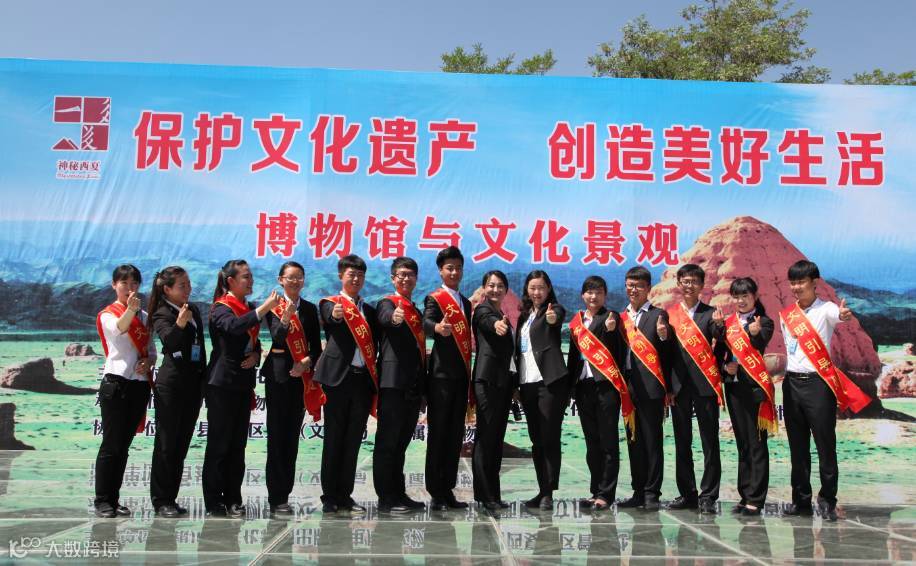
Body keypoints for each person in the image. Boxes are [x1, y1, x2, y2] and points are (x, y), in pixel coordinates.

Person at [779, 259, 869, 522]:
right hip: (791, 384)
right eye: (793, 282)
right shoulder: (787, 315)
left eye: (801, 282)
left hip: (818, 385)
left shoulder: (827, 309)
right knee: (797, 447)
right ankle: (800, 500)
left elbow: (840, 316)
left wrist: (844, 315)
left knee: (825, 444)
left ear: (814, 283)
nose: (797, 287)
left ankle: (828, 500)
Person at [203, 259, 278, 518]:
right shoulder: (220, 307)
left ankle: (233, 498)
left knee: (237, 446)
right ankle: (213, 501)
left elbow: (252, 342)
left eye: (251, 276)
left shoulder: (249, 307)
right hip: (222, 384)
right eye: (245, 277)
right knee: (219, 445)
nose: (250, 280)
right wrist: (264, 309)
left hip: (243, 384)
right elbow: (234, 328)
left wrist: (256, 355)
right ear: (231, 281)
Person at [313, 255, 378, 515]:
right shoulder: (330, 304)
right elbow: (331, 318)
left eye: (360, 275)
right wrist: (336, 315)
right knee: (334, 438)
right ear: (341, 276)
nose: (356, 279)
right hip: (338, 380)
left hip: (362, 381)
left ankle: (345, 495)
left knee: (353, 440)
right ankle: (329, 496)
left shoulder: (369, 311)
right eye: (351, 274)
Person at [94, 264, 157, 518]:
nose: (130, 288)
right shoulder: (108, 314)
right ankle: (102, 500)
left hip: (139, 384)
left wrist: (149, 362)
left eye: (134, 284)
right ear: (114, 285)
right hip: (116, 383)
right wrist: (130, 310)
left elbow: (151, 350)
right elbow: (119, 328)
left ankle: (114, 498)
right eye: (124, 284)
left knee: (124, 445)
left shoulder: (145, 316)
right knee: (111, 444)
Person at [261, 261, 323, 517]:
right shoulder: (273, 306)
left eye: (300, 277)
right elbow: (277, 338)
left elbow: (316, 348)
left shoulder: (308, 309)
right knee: (277, 438)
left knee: (291, 439)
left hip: (301, 379)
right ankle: (276, 498)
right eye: (291, 277)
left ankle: (284, 494)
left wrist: (306, 362)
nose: (296, 282)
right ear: (281, 280)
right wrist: (286, 317)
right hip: (278, 378)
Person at [712, 277, 775, 517]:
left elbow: (760, 344)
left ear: (754, 297)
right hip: (734, 389)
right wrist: (726, 367)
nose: (740, 301)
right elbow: (719, 355)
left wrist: (755, 334)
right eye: (736, 297)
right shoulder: (728, 324)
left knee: (757, 444)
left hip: (755, 390)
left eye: (745, 296)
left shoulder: (764, 322)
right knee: (743, 444)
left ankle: (756, 499)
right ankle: (745, 494)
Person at [566, 275, 629, 511]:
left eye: (599, 292)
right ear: (583, 295)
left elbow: (619, 350)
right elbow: (573, 358)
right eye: (590, 292)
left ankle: (606, 494)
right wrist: (570, 387)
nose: (594, 296)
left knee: (608, 442)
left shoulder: (611, 317)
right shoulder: (577, 322)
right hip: (583, 387)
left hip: (606, 386)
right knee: (592, 442)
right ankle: (595, 491)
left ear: (605, 295)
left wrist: (611, 332)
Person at [148, 266, 205, 518]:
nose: (187, 289)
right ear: (167, 289)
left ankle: (171, 497)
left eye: (188, 284)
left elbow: (199, 347)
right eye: (182, 285)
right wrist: (180, 324)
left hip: (192, 385)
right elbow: (170, 342)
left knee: (181, 444)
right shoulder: (161, 313)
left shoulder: (193, 310)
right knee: (166, 444)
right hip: (171, 386)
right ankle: (161, 500)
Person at [667, 264, 723, 514]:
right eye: (685, 281)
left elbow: (720, 339)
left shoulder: (710, 313)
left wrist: (719, 327)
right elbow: (666, 354)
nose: (689, 285)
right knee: (682, 441)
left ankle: (709, 495)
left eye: (694, 281)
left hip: (704, 385)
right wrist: (669, 387)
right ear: (679, 283)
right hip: (679, 386)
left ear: (702, 285)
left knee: (709, 441)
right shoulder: (669, 315)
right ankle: (687, 493)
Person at [616, 266, 672, 512]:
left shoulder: (658, 315)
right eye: (630, 285)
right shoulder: (620, 318)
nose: (633, 290)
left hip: (651, 386)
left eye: (638, 285)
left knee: (652, 440)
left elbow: (668, 353)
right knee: (633, 440)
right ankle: (638, 491)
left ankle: (651, 493)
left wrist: (664, 336)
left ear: (648, 288)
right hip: (628, 387)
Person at [373, 257, 426, 514]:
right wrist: (394, 318)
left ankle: (399, 493)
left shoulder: (415, 310)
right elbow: (385, 319)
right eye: (401, 274)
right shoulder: (387, 303)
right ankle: (385, 497)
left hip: (412, 386)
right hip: (392, 383)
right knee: (387, 442)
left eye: (410, 274)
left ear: (416, 279)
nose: (406, 278)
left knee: (401, 443)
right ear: (393, 278)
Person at [423, 246, 473, 511]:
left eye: (458, 268)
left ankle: (448, 489)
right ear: (441, 271)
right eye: (449, 268)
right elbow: (425, 323)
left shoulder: (466, 302)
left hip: (461, 378)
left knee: (455, 435)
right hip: (440, 377)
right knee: (439, 434)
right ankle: (435, 491)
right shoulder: (435, 298)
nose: (454, 272)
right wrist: (437, 328)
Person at [516, 270, 568, 511]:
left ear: (548, 290)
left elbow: (556, 318)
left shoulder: (553, 309)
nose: (537, 292)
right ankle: (541, 489)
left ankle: (549, 492)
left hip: (549, 384)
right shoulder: (524, 316)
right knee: (536, 440)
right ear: (527, 290)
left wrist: (552, 318)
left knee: (549, 438)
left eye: (541, 288)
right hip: (527, 384)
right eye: (532, 288)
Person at [471, 270, 516, 511]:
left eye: (500, 286)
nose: (495, 290)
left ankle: (493, 495)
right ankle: (484, 495)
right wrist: (496, 325)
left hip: (503, 383)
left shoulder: (501, 313)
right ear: (484, 288)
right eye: (491, 285)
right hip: (487, 381)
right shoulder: (483, 310)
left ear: (506, 290)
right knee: (486, 437)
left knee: (496, 439)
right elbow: (487, 321)